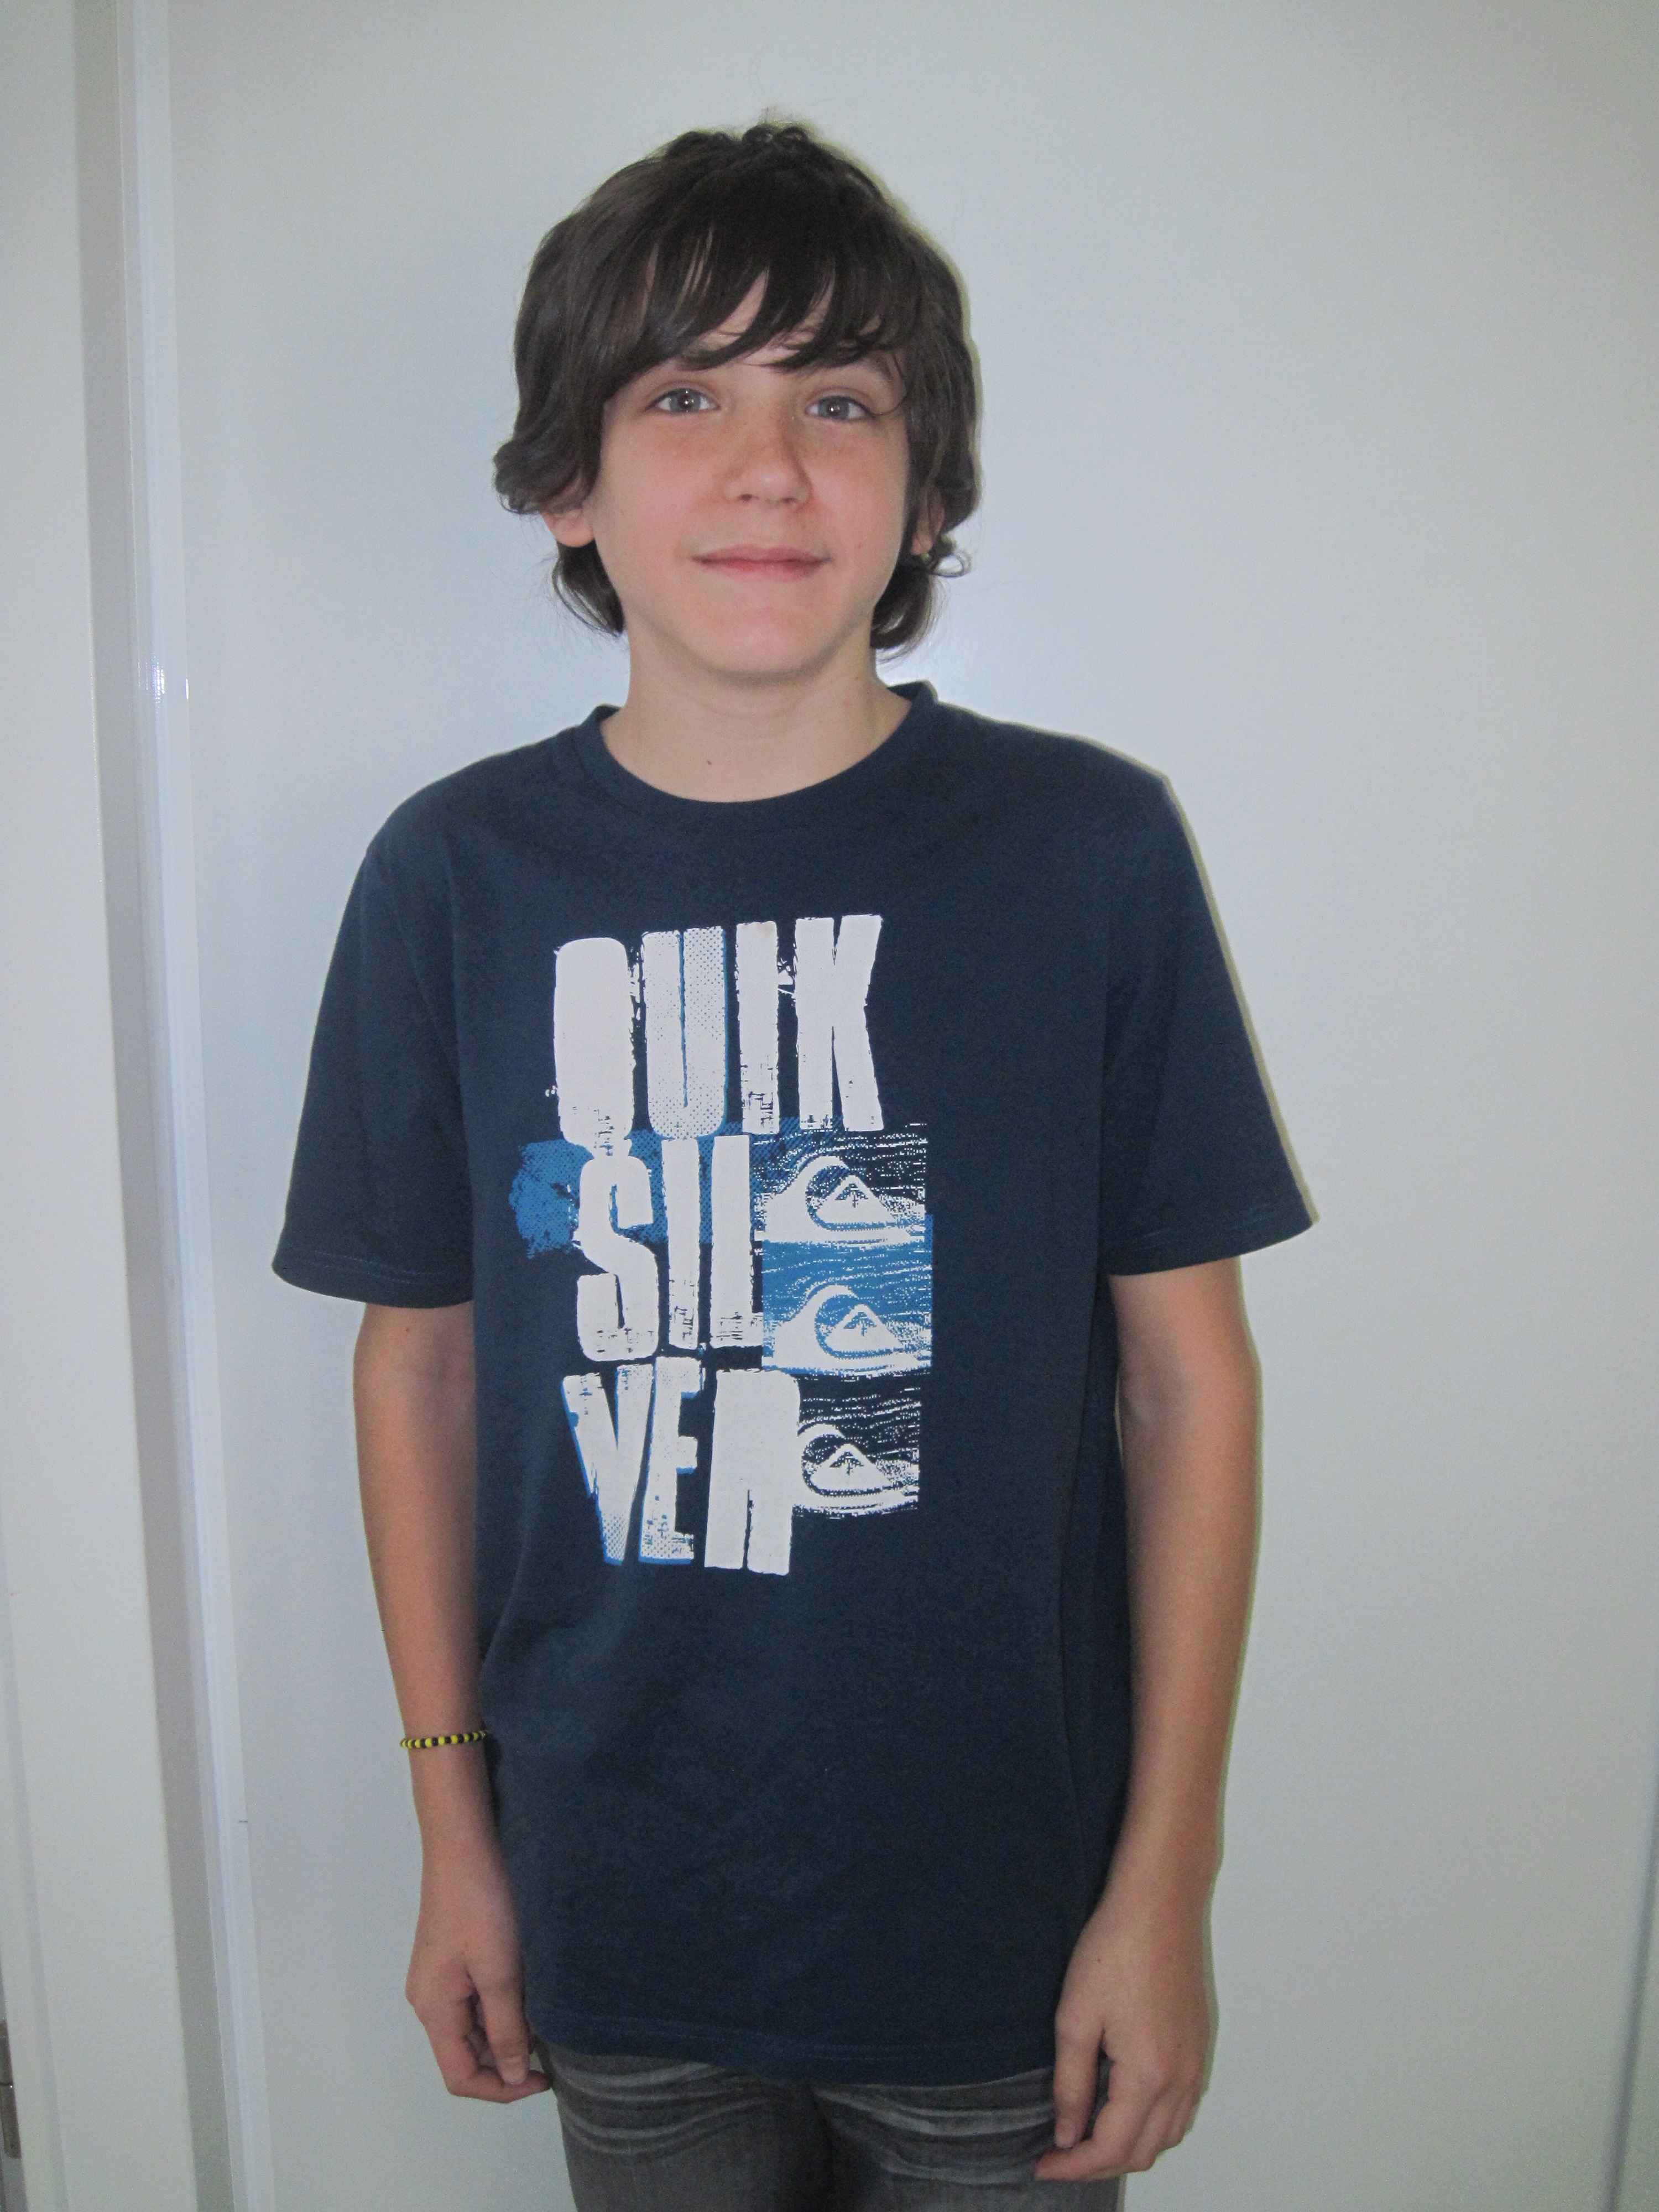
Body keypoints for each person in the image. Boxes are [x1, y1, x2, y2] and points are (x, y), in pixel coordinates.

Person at [274, 120, 1311, 2208]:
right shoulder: (454, 876)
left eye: (839, 401)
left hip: (1005, 1927)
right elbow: (423, 1368)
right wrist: (454, 1834)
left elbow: (1186, 1383)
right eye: (686, 398)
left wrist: (1166, 1883)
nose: (768, 470)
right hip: (614, 1908)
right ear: (570, 484)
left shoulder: (1083, 852)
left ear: (925, 486)